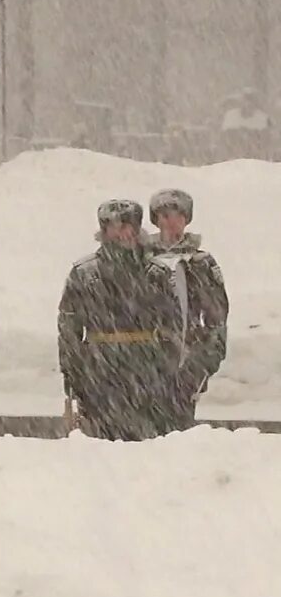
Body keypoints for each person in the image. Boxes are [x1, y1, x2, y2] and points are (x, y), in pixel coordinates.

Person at [58, 198, 182, 441]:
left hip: (146, 371)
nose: (121, 233)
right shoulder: (84, 273)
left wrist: (168, 369)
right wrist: (72, 372)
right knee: (100, 446)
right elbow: (69, 327)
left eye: (127, 226)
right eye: (114, 226)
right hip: (98, 370)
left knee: (147, 444)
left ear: (137, 229)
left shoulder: (157, 273)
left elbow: (172, 326)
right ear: (104, 230)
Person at [147, 188, 228, 432]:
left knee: (178, 435)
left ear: (187, 219)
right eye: (165, 216)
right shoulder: (140, 259)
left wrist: (204, 363)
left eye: (178, 216)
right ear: (156, 220)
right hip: (143, 362)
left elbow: (217, 318)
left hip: (185, 361)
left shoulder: (201, 263)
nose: (172, 223)